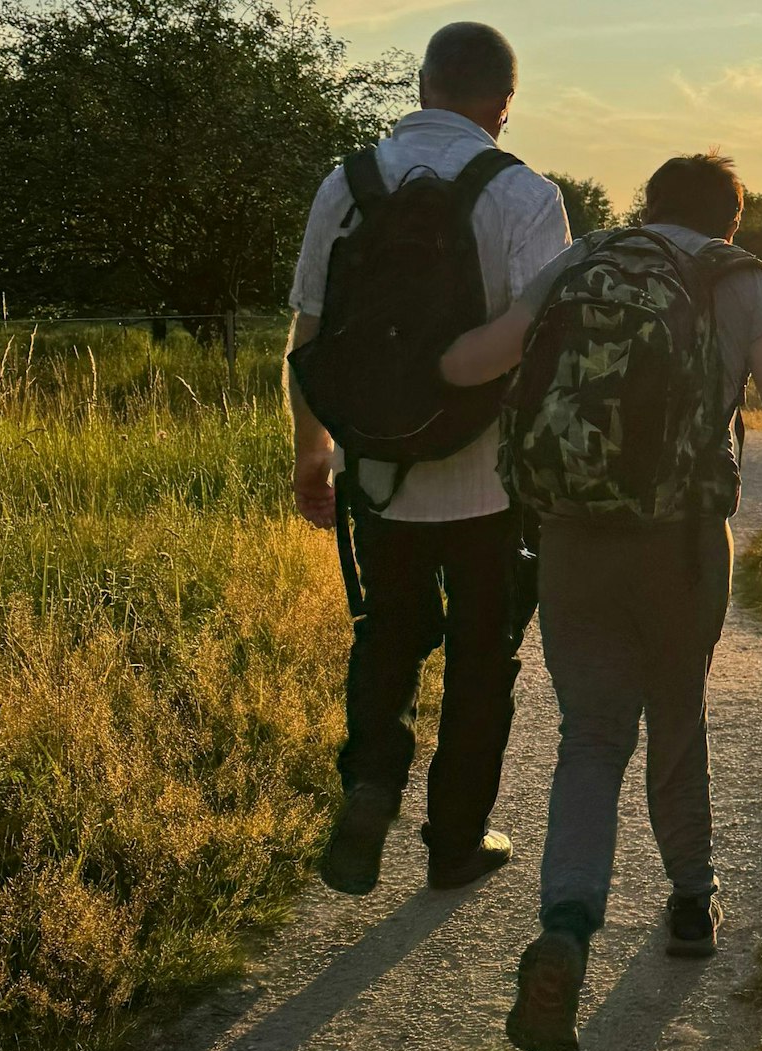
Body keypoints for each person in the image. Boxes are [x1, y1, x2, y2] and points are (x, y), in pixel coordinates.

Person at [440, 153, 762, 1051]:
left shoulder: (586, 257)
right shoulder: (736, 278)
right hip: (679, 543)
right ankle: (688, 905)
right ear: (730, 223)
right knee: (677, 713)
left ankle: (564, 928)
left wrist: (392, 367)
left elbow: (476, 359)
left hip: (568, 538)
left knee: (591, 738)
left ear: (647, 205)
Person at [284, 22, 571, 895]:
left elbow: (309, 332)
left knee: (388, 637)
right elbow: (547, 348)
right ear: (505, 104)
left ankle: (372, 786)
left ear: (421, 86)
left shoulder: (347, 183)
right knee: (485, 659)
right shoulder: (526, 195)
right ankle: (454, 842)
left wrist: (312, 452)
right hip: (490, 479)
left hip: (376, 469)